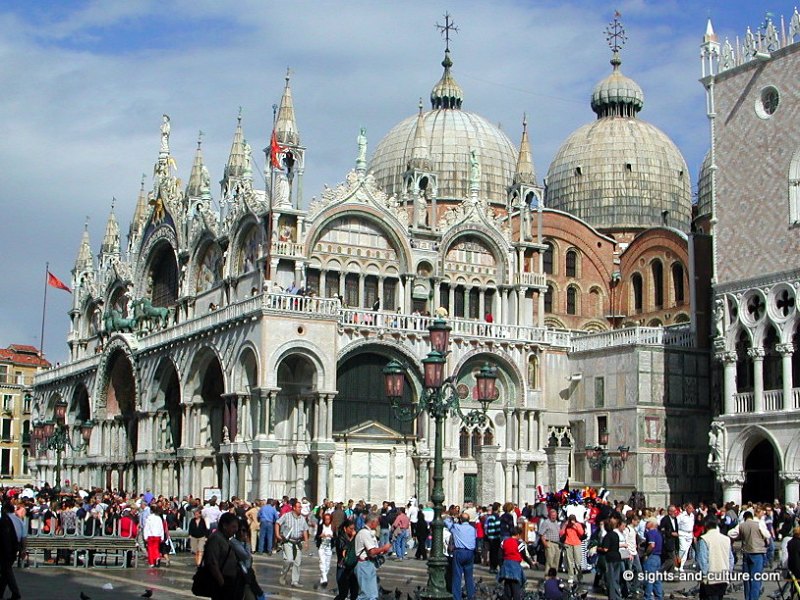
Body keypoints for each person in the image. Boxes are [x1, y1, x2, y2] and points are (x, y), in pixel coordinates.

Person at [729, 508, 771, 600]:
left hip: (746, 552)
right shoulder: (758, 524)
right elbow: (767, 535)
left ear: (744, 518)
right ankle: (754, 598)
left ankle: (747, 598)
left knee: (746, 579)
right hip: (757, 553)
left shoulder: (742, 525)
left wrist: (741, 535)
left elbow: (731, 533)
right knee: (756, 578)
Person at [205, 512, 243, 600]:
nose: (236, 529)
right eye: (233, 527)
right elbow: (212, 563)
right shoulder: (216, 538)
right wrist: (222, 583)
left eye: (236, 527)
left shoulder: (226, 539)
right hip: (221, 583)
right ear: (225, 525)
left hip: (230, 582)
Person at [354, 513, 391, 600]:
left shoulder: (369, 533)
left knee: (373, 595)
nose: (378, 524)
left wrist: (382, 550)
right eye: (377, 522)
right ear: (372, 522)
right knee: (366, 595)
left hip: (369, 564)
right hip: (364, 564)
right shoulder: (364, 533)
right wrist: (384, 548)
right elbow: (372, 551)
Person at [695, 516, 733, 600]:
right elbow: (731, 559)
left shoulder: (704, 539)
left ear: (705, 525)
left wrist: (703, 576)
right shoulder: (726, 539)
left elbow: (703, 561)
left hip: (710, 579)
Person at [275, 498, 310, 588]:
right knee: (289, 560)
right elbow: (277, 523)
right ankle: (283, 576)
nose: (300, 509)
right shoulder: (286, 516)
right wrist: (277, 534)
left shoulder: (302, 518)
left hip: (298, 542)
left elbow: (305, 530)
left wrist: (306, 542)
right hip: (288, 541)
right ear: (294, 508)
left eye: (300, 507)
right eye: (298, 507)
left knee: (297, 562)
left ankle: (295, 581)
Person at [446, 512, 477, 600]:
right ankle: (471, 596)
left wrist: (451, 516)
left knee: (457, 576)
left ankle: (457, 597)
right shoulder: (472, 529)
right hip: (470, 553)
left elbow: (446, 522)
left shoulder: (456, 527)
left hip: (459, 552)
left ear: (460, 520)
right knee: (469, 576)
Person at [498, 526, 535, 600]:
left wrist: (501, 565)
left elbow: (500, 555)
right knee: (516, 591)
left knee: (507, 589)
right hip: (515, 568)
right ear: (518, 534)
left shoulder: (504, 542)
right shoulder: (519, 544)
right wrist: (531, 564)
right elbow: (524, 556)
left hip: (506, 566)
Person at [334, 519, 360, 600]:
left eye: (353, 529)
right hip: (343, 568)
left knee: (354, 591)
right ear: (345, 528)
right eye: (351, 529)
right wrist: (352, 538)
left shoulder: (354, 537)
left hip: (352, 567)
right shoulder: (340, 538)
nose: (353, 531)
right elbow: (344, 551)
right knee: (343, 593)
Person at [598, 515, 623, 600]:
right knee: (616, 579)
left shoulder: (607, 536)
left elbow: (605, 549)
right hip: (617, 556)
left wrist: (598, 548)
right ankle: (618, 596)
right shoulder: (616, 534)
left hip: (610, 558)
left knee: (611, 580)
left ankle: (613, 597)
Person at [642, 518, 663, 600]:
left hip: (651, 557)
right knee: (657, 580)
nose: (646, 523)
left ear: (651, 524)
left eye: (647, 522)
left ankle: (648, 597)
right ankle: (659, 597)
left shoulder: (650, 533)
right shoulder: (658, 533)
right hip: (658, 557)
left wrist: (646, 554)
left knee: (649, 579)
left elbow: (652, 545)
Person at [560, 514, 585, 581]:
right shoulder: (567, 526)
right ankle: (570, 576)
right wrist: (565, 525)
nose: (571, 522)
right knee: (569, 561)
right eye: (570, 520)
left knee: (578, 561)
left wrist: (575, 525)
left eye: (573, 520)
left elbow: (581, 533)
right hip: (568, 543)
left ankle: (579, 577)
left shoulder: (578, 525)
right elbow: (561, 533)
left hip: (577, 544)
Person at [538, 508, 562, 573]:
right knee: (549, 561)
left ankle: (554, 578)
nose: (554, 517)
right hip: (550, 543)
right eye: (552, 515)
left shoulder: (557, 522)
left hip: (557, 544)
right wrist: (545, 543)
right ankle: (547, 577)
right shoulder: (546, 522)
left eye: (555, 515)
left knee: (556, 562)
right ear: (549, 515)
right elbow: (541, 534)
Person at [316, 512, 335, 588]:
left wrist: (332, 536)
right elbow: (317, 536)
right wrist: (321, 535)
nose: (327, 521)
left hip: (329, 547)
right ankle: (325, 578)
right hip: (322, 547)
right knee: (322, 562)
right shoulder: (321, 526)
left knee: (327, 564)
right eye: (326, 519)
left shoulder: (332, 527)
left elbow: (335, 537)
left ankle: (322, 578)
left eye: (328, 519)